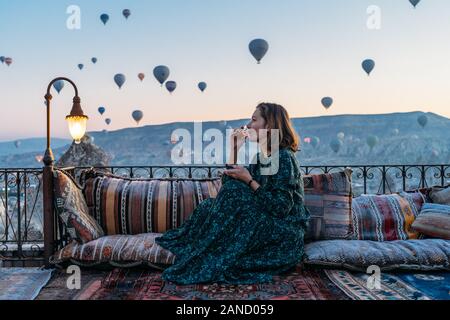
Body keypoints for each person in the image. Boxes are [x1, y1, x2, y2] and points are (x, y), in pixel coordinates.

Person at [154, 102, 310, 285]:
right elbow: (229, 185)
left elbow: (280, 207)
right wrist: (234, 150)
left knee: (233, 193)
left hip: (283, 232)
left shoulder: (283, 157)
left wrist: (249, 180)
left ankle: (209, 253)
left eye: (254, 120)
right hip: (266, 219)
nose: (249, 125)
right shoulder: (262, 157)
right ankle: (209, 251)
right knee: (207, 207)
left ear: (269, 126)